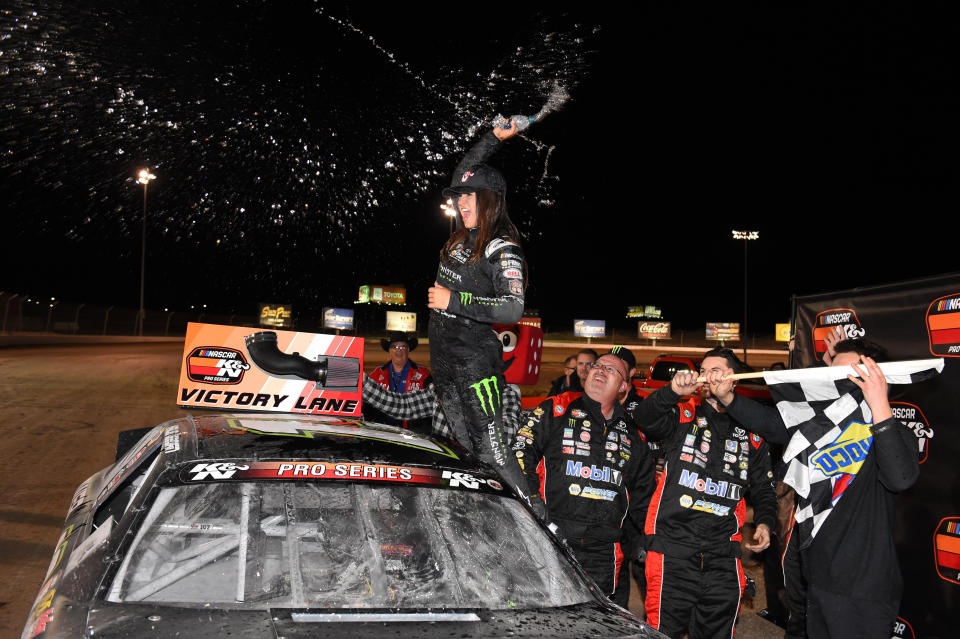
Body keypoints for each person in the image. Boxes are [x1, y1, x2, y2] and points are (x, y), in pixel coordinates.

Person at [718, 339, 919, 639]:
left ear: (872, 377)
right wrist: (728, 398)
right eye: (829, 372)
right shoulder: (821, 426)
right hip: (819, 580)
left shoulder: (892, 430)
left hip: (863, 590)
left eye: (844, 374)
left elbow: (900, 477)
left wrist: (879, 403)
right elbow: (772, 424)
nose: (832, 381)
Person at [631, 347, 777, 639]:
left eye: (716, 370)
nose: (707, 377)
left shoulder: (752, 429)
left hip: (723, 557)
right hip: (673, 551)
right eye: (704, 370)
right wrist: (671, 391)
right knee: (661, 632)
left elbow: (763, 487)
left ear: (733, 380)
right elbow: (644, 418)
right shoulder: (684, 413)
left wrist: (765, 523)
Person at [426, 120, 527, 492]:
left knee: (494, 454)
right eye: (458, 197)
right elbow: (463, 171)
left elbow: (512, 309)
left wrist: (454, 300)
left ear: (491, 201)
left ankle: (543, 529)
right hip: (446, 363)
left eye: (471, 196)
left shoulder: (501, 247)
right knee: (463, 452)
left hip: (475, 365)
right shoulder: (461, 236)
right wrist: (493, 138)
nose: (461, 203)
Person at [512, 350, 656, 605]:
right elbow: (520, 451)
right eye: (597, 366)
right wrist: (532, 498)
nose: (600, 370)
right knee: (548, 615)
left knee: (600, 621)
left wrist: (644, 542)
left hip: (605, 548)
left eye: (611, 369)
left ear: (623, 386)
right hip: (552, 536)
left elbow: (642, 496)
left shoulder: (634, 433)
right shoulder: (556, 408)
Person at [366, 332, 432, 428]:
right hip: (383, 432)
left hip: (413, 434)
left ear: (408, 350)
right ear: (389, 350)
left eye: (403, 347)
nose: (399, 351)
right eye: (395, 347)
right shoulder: (377, 373)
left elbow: (432, 405)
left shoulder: (423, 374)